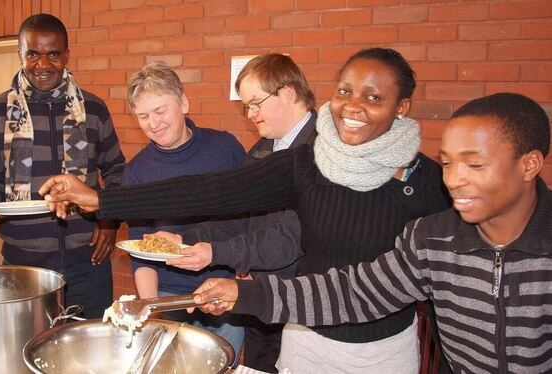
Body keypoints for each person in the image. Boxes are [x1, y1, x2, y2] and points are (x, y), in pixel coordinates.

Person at [40, 48, 451, 373]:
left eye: (374, 96)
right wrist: (102, 199)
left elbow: (443, 289)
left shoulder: (428, 182)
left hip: (381, 352)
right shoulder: (306, 164)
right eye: (344, 91)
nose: (353, 105)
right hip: (304, 335)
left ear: (401, 107)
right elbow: (211, 193)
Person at [190, 92, 552, 373]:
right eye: (447, 163)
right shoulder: (432, 240)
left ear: (529, 164)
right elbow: (353, 291)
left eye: (474, 164)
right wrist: (247, 293)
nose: (454, 180)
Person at [159, 53, 317, 373]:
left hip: (305, 305)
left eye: (256, 103)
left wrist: (218, 253)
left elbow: (290, 237)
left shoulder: (322, 151)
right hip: (259, 297)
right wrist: (185, 239)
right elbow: (238, 216)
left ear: (287, 92)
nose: (251, 114)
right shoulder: (262, 149)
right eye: (247, 106)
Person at [0, 14, 125, 318]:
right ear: (20, 55)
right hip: (22, 265)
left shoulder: (94, 109)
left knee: (89, 355)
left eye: (53, 54)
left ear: (66, 55)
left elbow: (117, 170)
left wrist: (111, 220)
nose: (43, 65)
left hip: (89, 262)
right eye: (33, 54)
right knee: (24, 354)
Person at [122, 60, 246, 359]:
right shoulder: (137, 172)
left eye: (160, 111)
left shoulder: (225, 147)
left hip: (224, 290)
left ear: (184, 103)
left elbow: (251, 219)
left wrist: (243, 278)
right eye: (143, 116)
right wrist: (152, 306)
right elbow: (140, 250)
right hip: (170, 296)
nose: (153, 123)